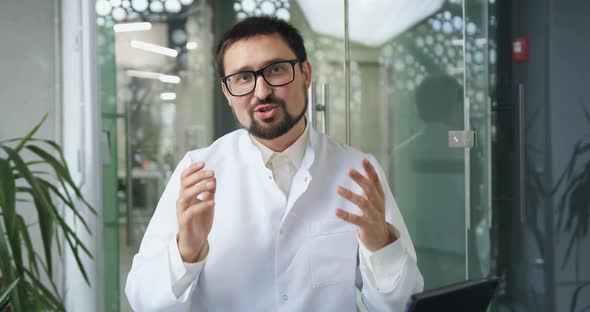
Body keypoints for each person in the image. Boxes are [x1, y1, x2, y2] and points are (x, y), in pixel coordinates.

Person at [125, 16, 423, 311]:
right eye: (243, 77)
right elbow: (144, 302)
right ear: (227, 93)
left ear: (306, 73)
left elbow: (402, 305)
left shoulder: (358, 171)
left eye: (276, 70)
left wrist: (379, 244)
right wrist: (186, 250)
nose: (262, 91)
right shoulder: (198, 171)